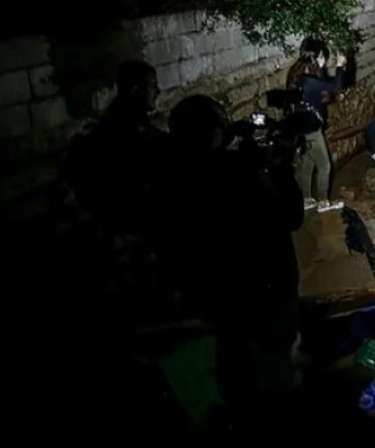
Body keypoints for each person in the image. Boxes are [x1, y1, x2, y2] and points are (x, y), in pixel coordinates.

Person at [163, 94, 303, 417]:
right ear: (215, 133)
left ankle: (237, 409)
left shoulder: (171, 175)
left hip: (214, 295)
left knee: (232, 358)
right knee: (273, 372)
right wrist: (282, 167)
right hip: (263, 292)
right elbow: (292, 215)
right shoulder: (236, 173)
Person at [66, 60, 169, 237]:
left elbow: (156, 140)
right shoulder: (122, 126)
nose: (158, 91)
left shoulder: (129, 115)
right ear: (135, 90)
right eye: (152, 86)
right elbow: (147, 158)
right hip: (125, 209)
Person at [287, 52, 348, 213]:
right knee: (324, 165)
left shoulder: (297, 78)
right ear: (313, 59)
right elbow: (336, 87)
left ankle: (306, 199)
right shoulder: (310, 81)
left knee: (308, 164)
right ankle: (323, 202)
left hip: (300, 127)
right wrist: (340, 66)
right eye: (321, 57)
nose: (323, 59)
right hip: (311, 130)